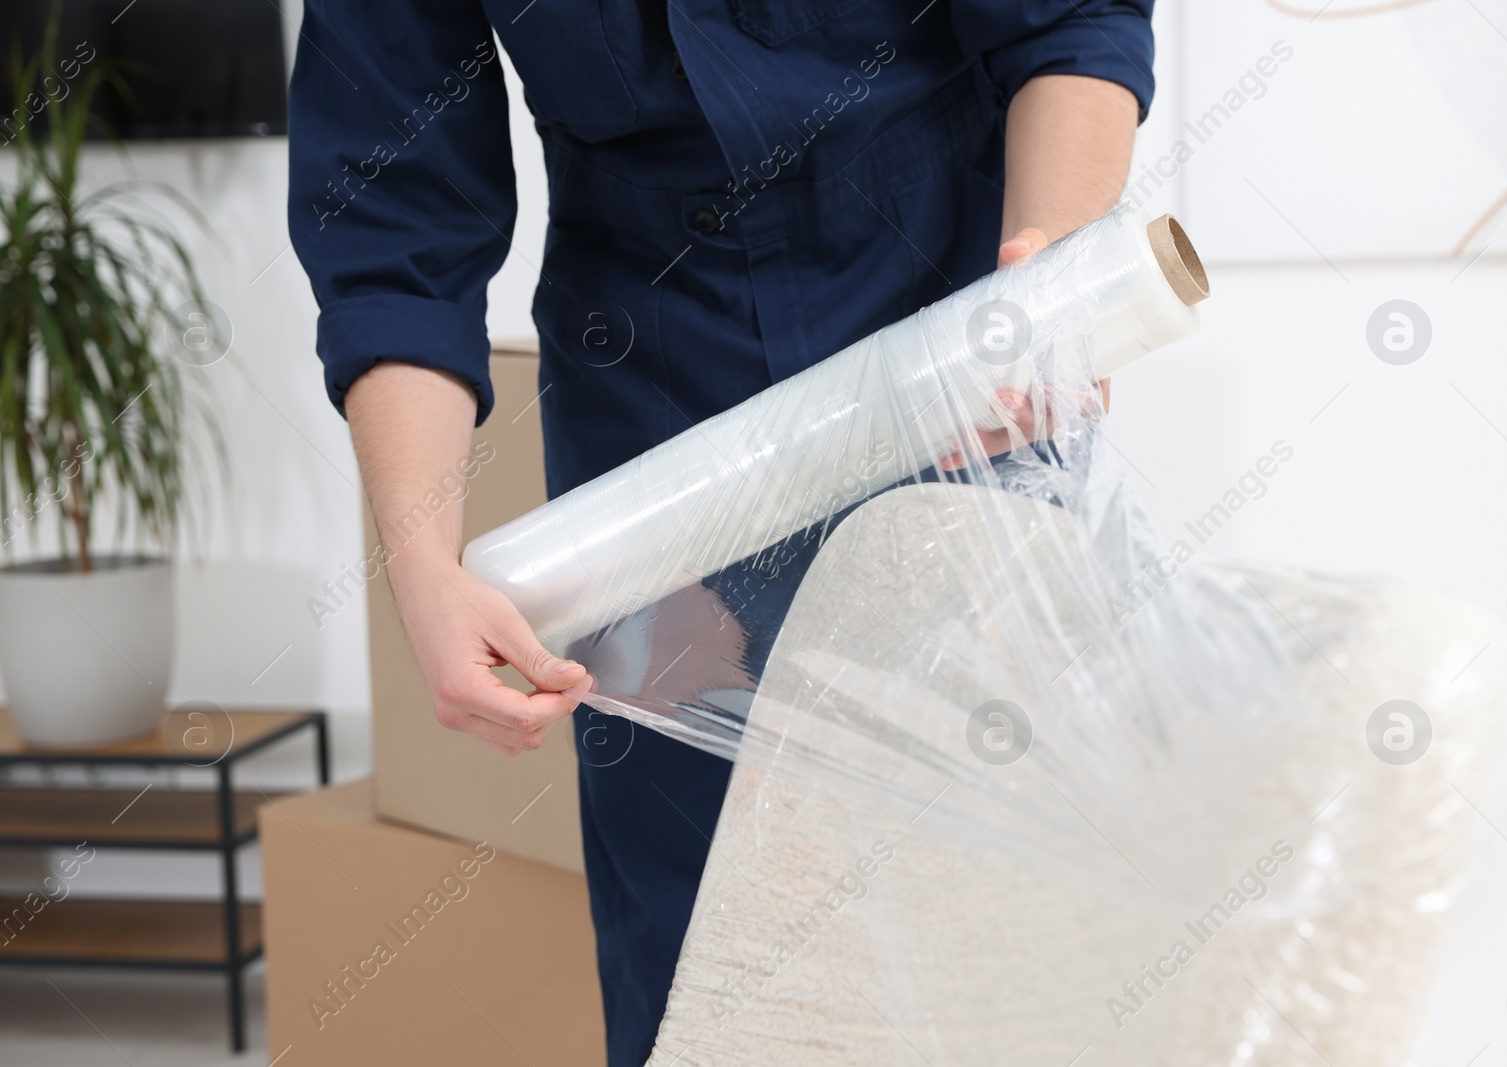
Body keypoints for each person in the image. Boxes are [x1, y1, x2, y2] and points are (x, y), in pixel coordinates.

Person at [288, 2, 1153, 1062]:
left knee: (983, 911)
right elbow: (395, 223)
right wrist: (420, 563)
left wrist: (1048, 288)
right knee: (699, 941)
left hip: (950, 355)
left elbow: (1065, 24)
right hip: (658, 409)